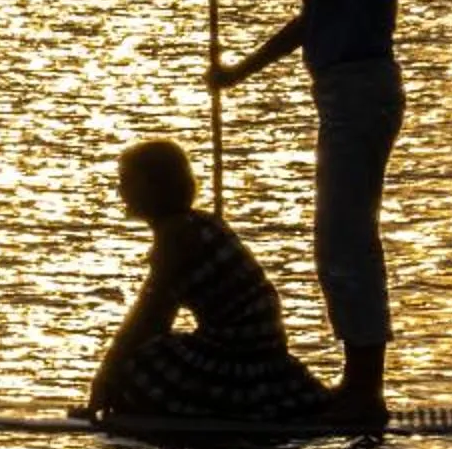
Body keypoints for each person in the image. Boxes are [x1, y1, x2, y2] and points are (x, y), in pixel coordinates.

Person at [196, 0, 405, 424]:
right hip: (343, 91)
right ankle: (358, 386)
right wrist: (238, 73)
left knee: (346, 238)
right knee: (337, 237)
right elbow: (310, 22)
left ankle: (363, 391)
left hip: (360, 91)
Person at [85, 138, 330, 422]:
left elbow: (149, 318)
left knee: (137, 363)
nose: (121, 192)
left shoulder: (178, 237)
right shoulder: (195, 224)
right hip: (253, 343)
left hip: (239, 350)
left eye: (128, 182)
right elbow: (156, 319)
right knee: (139, 357)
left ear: (156, 186)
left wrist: (107, 379)